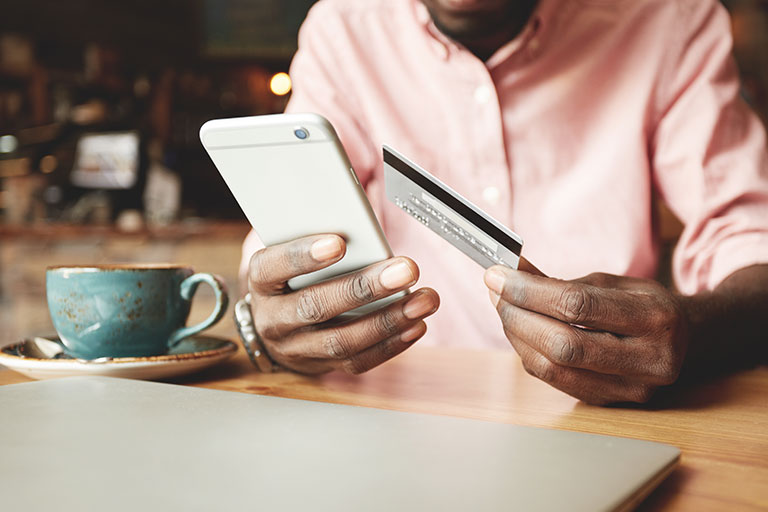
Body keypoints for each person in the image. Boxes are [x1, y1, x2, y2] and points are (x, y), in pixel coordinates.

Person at [240, 0, 768, 404]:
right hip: (399, 408)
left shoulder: (671, 20)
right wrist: (277, 318)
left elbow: (748, 230)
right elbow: (291, 235)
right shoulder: (345, 28)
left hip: (605, 420)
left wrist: (699, 331)